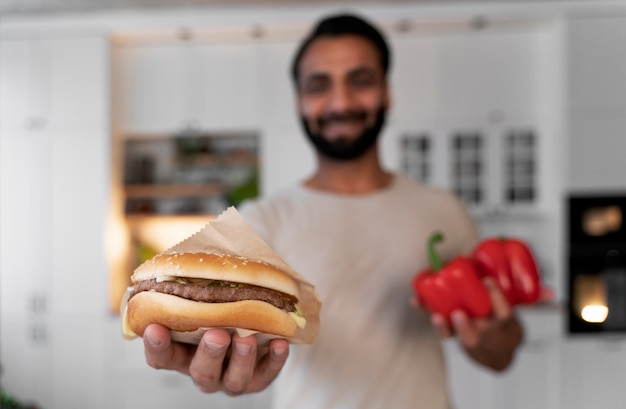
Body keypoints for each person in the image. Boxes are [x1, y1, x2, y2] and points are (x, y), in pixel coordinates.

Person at [141, 13, 524, 408]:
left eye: (360, 81)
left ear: (386, 92)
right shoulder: (260, 222)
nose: (341, 102)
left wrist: (493, 336)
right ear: (299, 102)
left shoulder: (445, 211)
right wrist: (221, 365)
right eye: (319, 85)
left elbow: (501, 354)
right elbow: (236, 335)